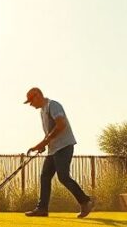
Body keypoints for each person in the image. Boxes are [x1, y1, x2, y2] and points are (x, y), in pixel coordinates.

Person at [23, 87, 94, 218]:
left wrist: (44, 142)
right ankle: (42, 209)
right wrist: (44, 145)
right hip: (53, 149)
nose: (31, 105)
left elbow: (61, 124)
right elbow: (50, 132)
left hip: (64, 146)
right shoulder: (42, 111)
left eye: (31, 101)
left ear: (37, 96)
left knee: (63, 177)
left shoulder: (53, 105)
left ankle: (86, 202)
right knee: (45, 176)